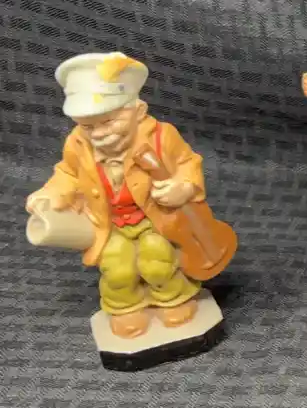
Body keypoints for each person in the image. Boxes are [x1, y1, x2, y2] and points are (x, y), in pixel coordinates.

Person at [25, 53, 212, 338]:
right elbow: (67, 173)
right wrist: (51, 194)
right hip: (109, 221)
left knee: (158, 259)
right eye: (88, 126)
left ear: (138, 111)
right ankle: (126, 308)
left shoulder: (161, 136)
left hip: (156, 218)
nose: (98, 133)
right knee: (116, 266)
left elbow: (188, 163)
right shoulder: (77, 143)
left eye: (109, 121)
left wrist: (183, 187)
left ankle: (173, 299)